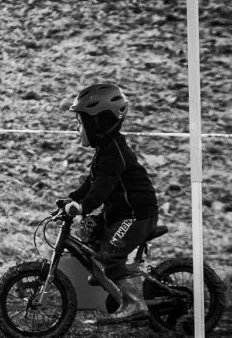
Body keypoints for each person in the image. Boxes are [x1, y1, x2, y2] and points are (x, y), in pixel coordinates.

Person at [61, 83, 159, 325]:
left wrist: (83, 206)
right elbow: (91, 182)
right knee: (91, 227)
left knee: (110, 253)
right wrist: (73, 198)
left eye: (80, 123)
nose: (77, 129)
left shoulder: (114, 153)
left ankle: (135, 303)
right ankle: (107, 274)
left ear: (98, 123)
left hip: (136, 216)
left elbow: (102, 189)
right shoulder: (106, 150)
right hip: (120, 213)